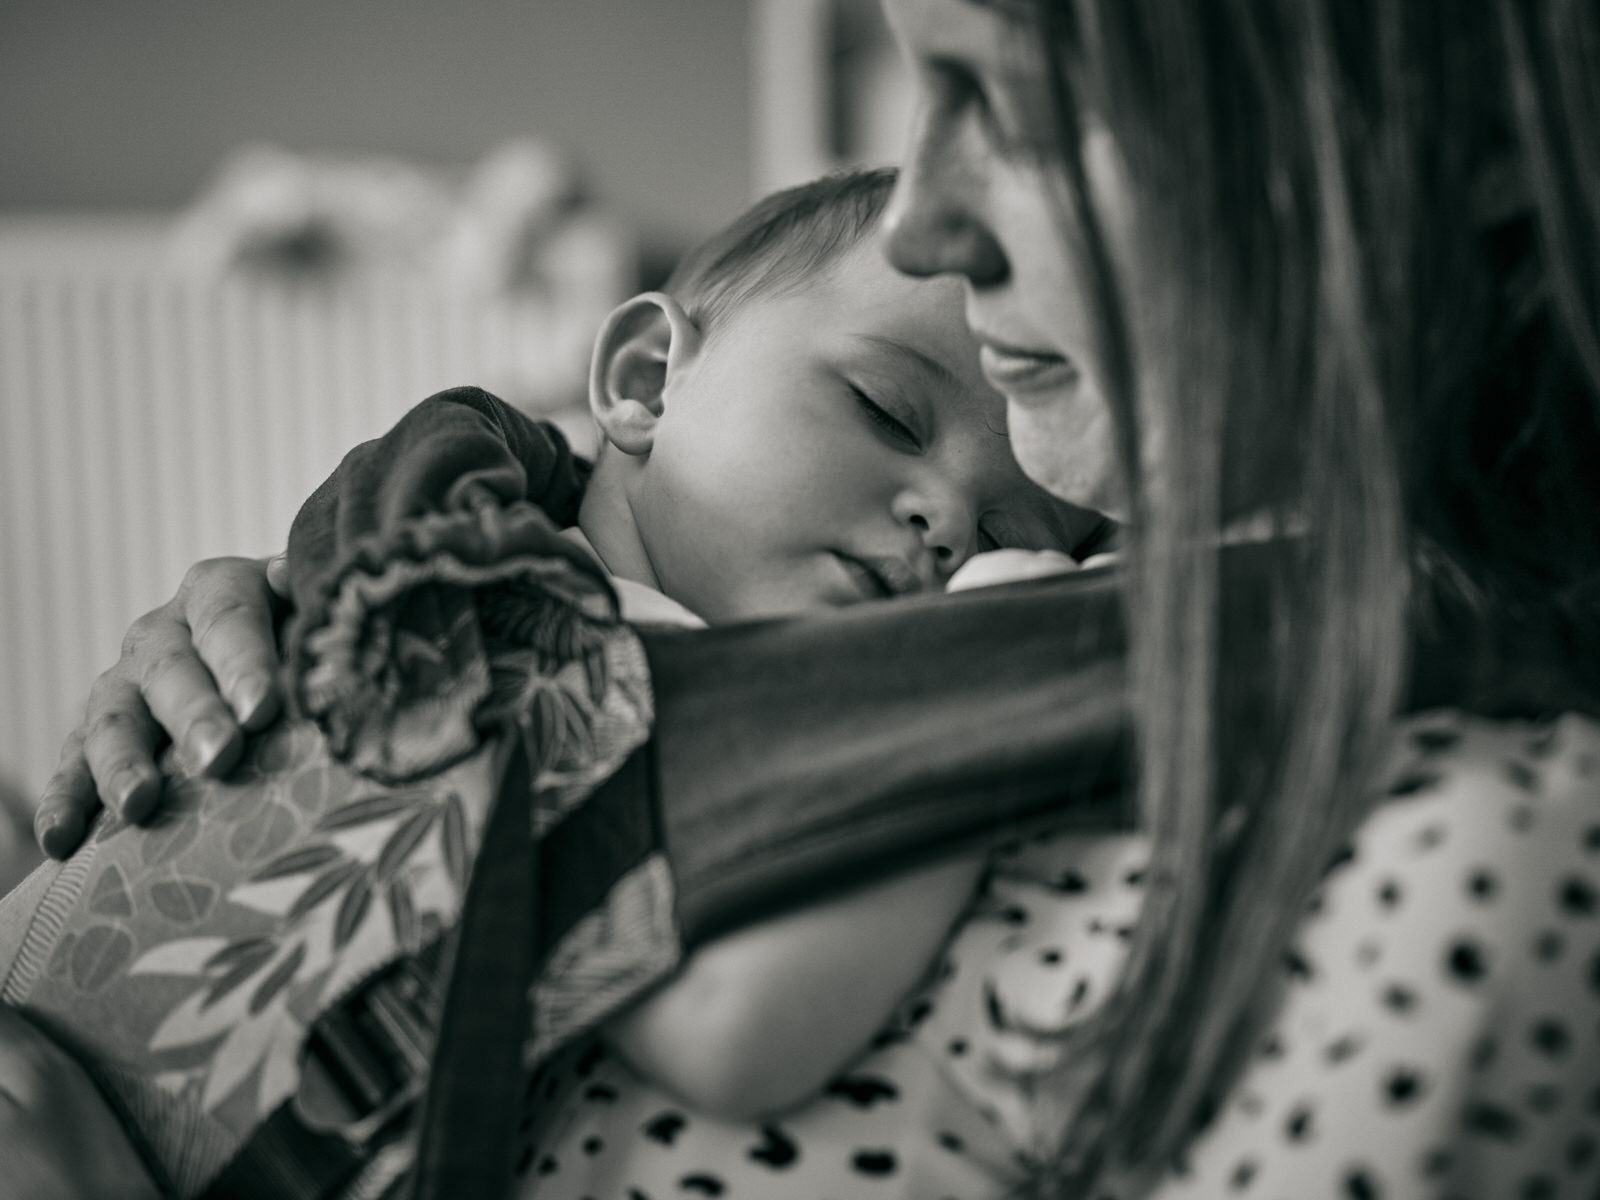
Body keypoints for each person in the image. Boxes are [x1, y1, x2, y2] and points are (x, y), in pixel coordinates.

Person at [22, 1, 1600, 1198]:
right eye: (893, 415)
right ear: (641, 377)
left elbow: (732, 1019)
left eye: (1019, 102)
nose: (948, 530)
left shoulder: (1474, 819)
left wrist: (1003, 618)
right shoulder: (505, 558)